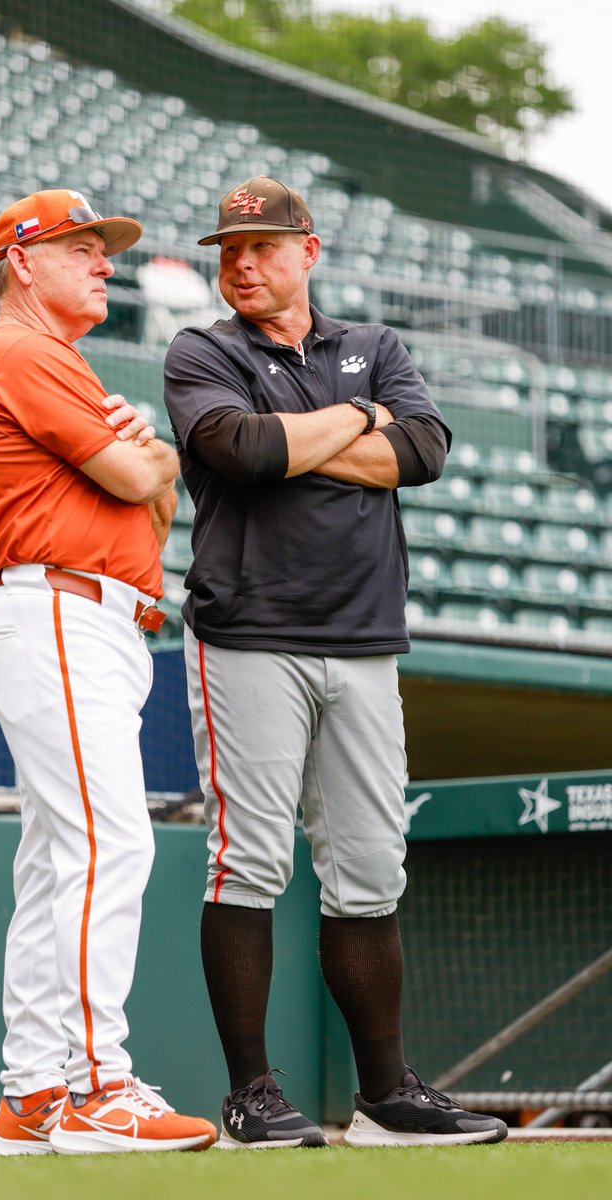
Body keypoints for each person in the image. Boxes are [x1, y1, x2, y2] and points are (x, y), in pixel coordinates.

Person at [163, 177, 508, 1149]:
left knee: (368, 867)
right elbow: (240, 451)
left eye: (262, 246)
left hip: (362, 639)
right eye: (229, 249)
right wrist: (357, 421)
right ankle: (250, 1097)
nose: (242, 262)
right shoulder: (201, 349)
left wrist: (306, 439)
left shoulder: (375, 346)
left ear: (307, 250)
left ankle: (383, 1097)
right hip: (248, 633)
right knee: (250, 863)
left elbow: (426, 450)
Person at [0, 188, 216, 1156]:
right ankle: (96, 1084)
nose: (102, 261)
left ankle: (30, 1093)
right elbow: (133, 478)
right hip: (57, 607)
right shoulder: (17, 351)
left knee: (55, 863)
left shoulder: (56, 361)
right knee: (112, 846)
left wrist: (146, 465)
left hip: (94, 615)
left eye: (102, 249)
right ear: (22, 262)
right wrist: (143, 460)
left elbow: (157, 503)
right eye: (79, 248)